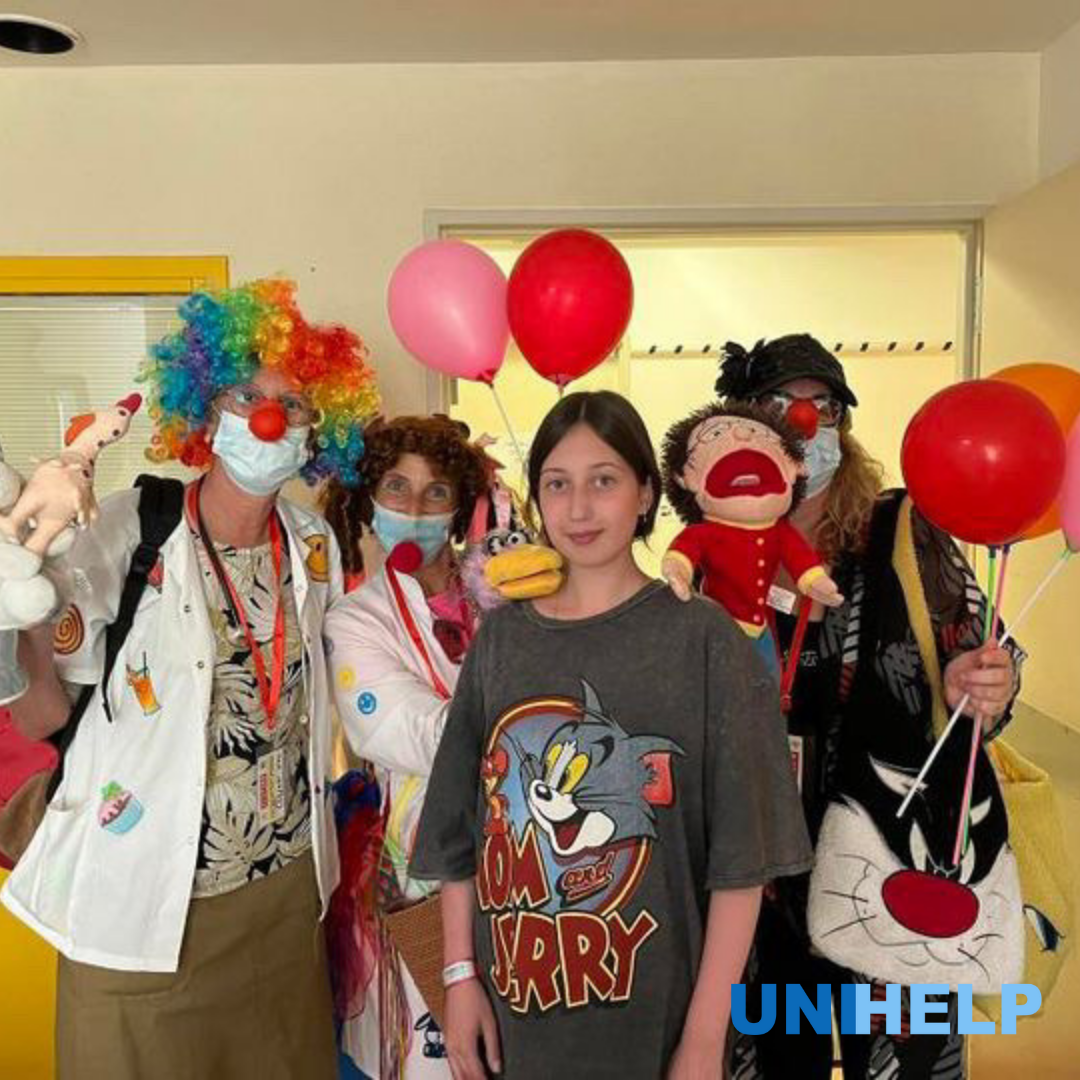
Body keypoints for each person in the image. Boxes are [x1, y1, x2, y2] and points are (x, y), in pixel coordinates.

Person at [1, 279, 378, 1080]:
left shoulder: (314, 544)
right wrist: (18, 611)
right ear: (206, 413)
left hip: (282, 906)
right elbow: (40, 714)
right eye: (247, 396)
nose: (269, 419)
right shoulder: (126, 530)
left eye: (293, 404)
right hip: (141, 911)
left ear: (317, 430)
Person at [407, 390, 814, 1080]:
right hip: (516, 1017)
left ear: (646, 493)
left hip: (658, 1019)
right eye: (556, 484)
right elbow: (459, 835)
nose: (578, 509)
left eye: (603, 481)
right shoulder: (502, 641)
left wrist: (704, 1036)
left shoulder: (703, 639)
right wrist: (459, 976)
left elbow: (742, 862)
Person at [713, 334, 1021, 1080]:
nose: (804, 424)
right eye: (779, 405)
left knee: (899, 1063)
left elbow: (990, 654)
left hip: (896, 855)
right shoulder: (714, 556)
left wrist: (986, 685)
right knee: (780, 1057)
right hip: (767, 871)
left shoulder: (904, 530)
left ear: (843, 427)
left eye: (823, 406)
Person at [322, 415, 492, 1079]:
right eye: (397, 487)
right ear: (369, 497)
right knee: (440, 1055)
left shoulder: (505, 591)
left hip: (526, 861)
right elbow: (404, 733)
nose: (415, 509)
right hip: (418, 872)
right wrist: (529, 730)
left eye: (436, 492)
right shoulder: (354, 619)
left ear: (461, 506)